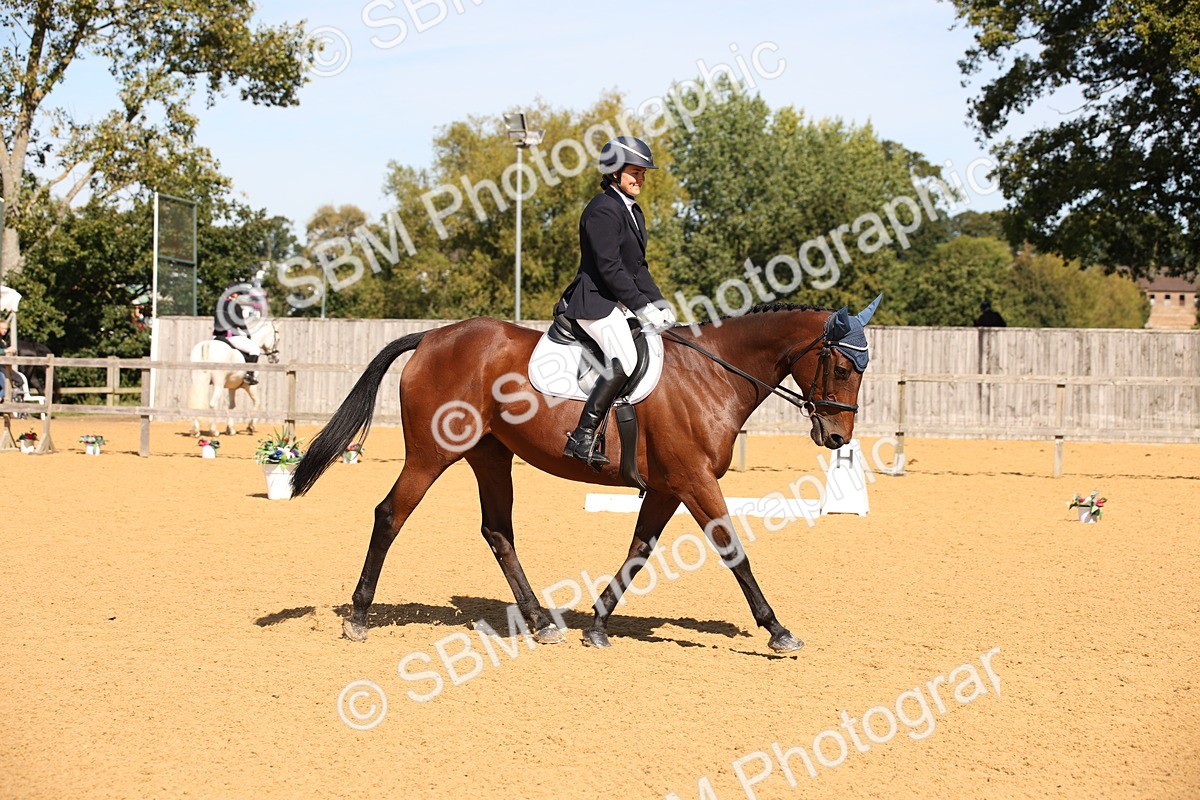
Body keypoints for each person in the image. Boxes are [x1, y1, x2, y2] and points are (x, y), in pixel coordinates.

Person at [555, 136, 677, 469]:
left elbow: (637, 269)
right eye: (634, 171)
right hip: (593, 303)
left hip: (617, 303)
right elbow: (609, 268)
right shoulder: (602, 210)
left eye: (643, 173)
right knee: (623, 357)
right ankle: (582, 435)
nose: (640, 178)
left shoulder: (633, 212)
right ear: (614, 172)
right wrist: (642, 307)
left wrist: (661, 304)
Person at [213, 285, 262, 385]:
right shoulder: (235, 306)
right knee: (255, 349)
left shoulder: (218, 304)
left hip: (215, 337)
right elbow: (241, 324)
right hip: (230, 337)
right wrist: (248, 335)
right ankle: (249, 374)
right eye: (237, 293)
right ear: (233, 294)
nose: (238, 295)